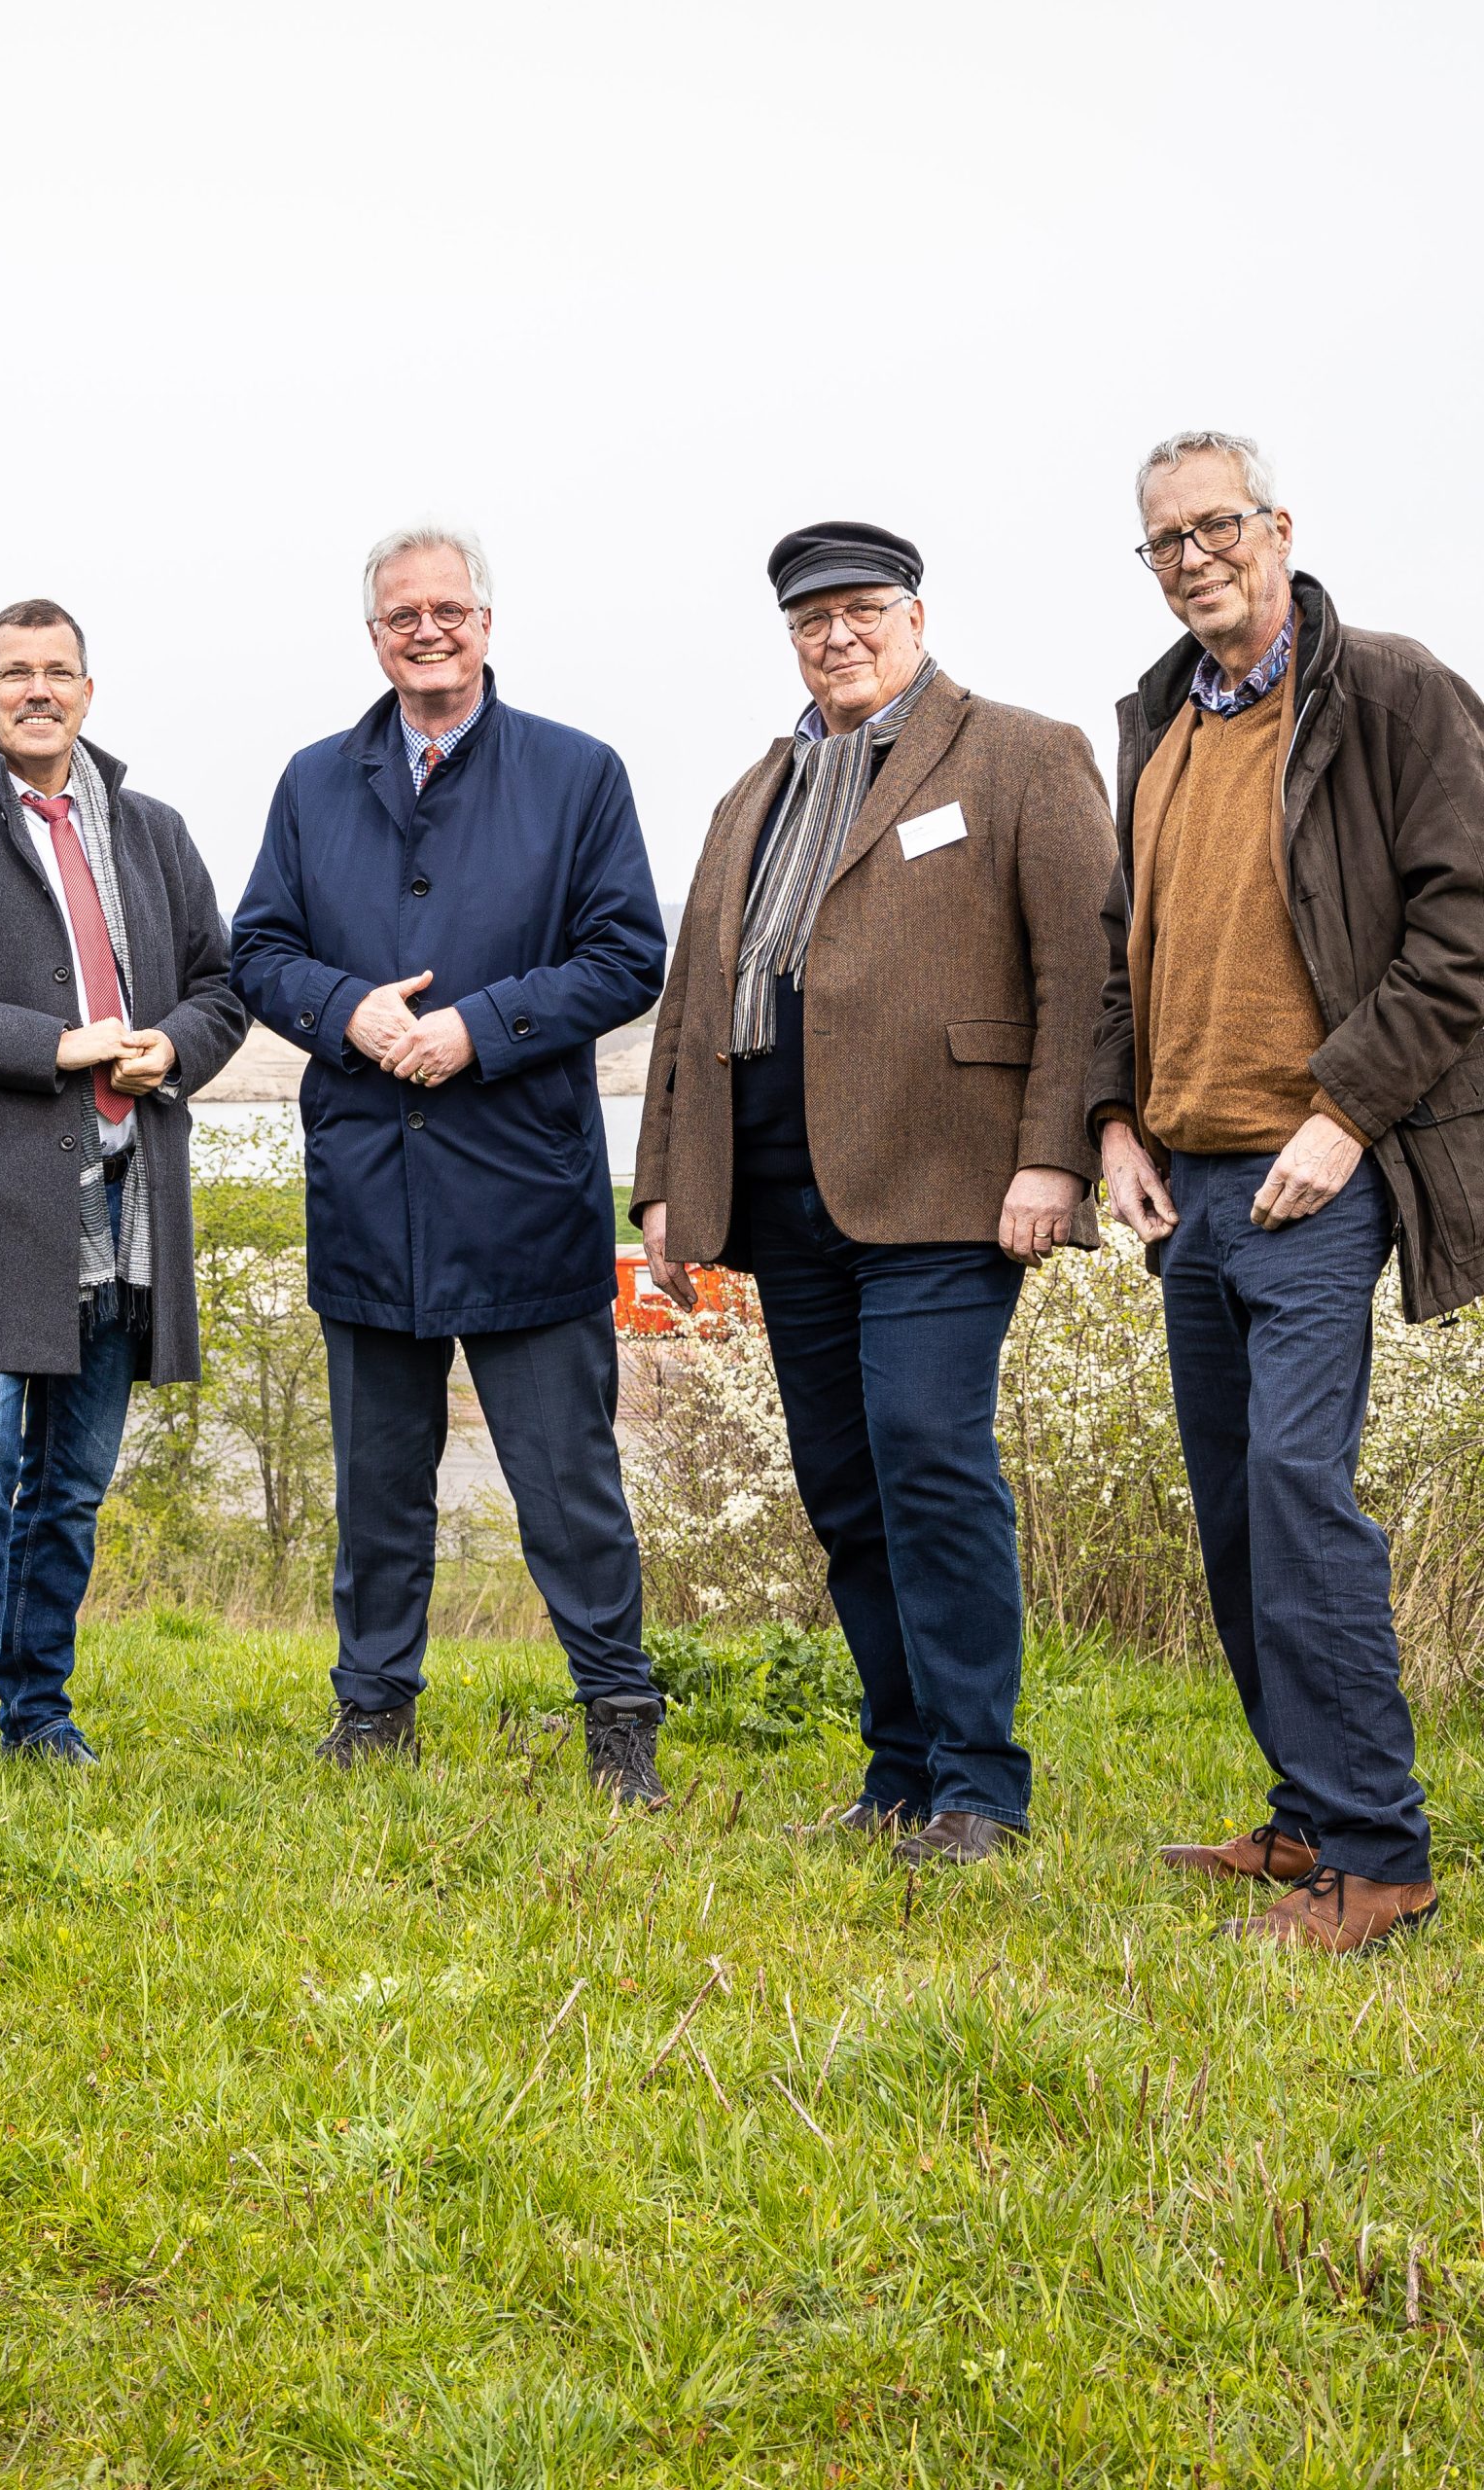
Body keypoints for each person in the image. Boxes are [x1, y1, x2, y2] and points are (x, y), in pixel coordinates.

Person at [634, 522, 1114, 1867]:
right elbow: (690, 1003)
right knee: (845, 1489)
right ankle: (900, 1775)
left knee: (928, 1462)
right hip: (784, 1198)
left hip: (947, 1187)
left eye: (860, 609)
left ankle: (980, 1790)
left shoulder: (1020, 754)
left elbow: (1086, 970)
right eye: (811, 620)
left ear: (915, 614)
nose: (836, 636)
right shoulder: (757, 789)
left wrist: (1055, 1153)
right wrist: (666, 1183)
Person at [1091, 430, 1484, 1952]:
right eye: (1165, 541)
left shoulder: (1389, 691)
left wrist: (1347, 1113)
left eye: (1217, 527)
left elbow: (1463, 927)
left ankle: (1379, 1860)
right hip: (1188, 1183)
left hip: (1316, 1174)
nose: (1193, 559)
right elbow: (1126, 946)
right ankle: (1311, 1815)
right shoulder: (1158, 721)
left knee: (1301, 1495)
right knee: (1240, 1518)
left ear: (1278, 527)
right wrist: (1114, 1122)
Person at [230, 524, 669, 1802]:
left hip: (522, 1191)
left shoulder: (578, 774)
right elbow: (257, 949)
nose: (426, 631)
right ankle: (373, 1710)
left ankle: (619, 1718)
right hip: (370, 1191)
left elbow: (627, 955)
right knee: (377, 1485)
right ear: (374, 635)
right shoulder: (313, 782)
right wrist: (345, 1012)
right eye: (401, 615)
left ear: (486, 622)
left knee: (567, 1484)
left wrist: (482, 1028)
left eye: (448, 610)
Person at [0, 598, 245, 1789]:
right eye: (15, 671)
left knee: (72, 1483)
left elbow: (221, 988)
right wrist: (56, 1045)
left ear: (87, 691)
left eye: (59, 671)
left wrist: (171, 1047)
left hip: (130, 1193)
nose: (39, 689)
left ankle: (37, 1708)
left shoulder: (155, 831)